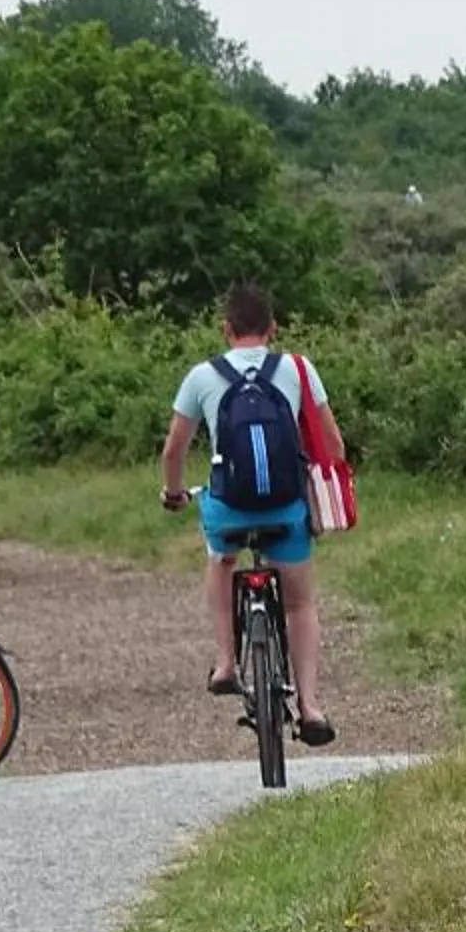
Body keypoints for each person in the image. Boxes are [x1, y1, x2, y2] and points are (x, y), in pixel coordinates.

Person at [155, 281, 341, 747]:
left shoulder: (202, 376)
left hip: (229, 508)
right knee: (299, 603)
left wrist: (174, 493)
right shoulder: (298, 369)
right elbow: (333, 444)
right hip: (286, 507)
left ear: (226, 329)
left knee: (220, 559)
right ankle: (310, 707)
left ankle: (225, 663)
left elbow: (173, 450)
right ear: (273, 328)